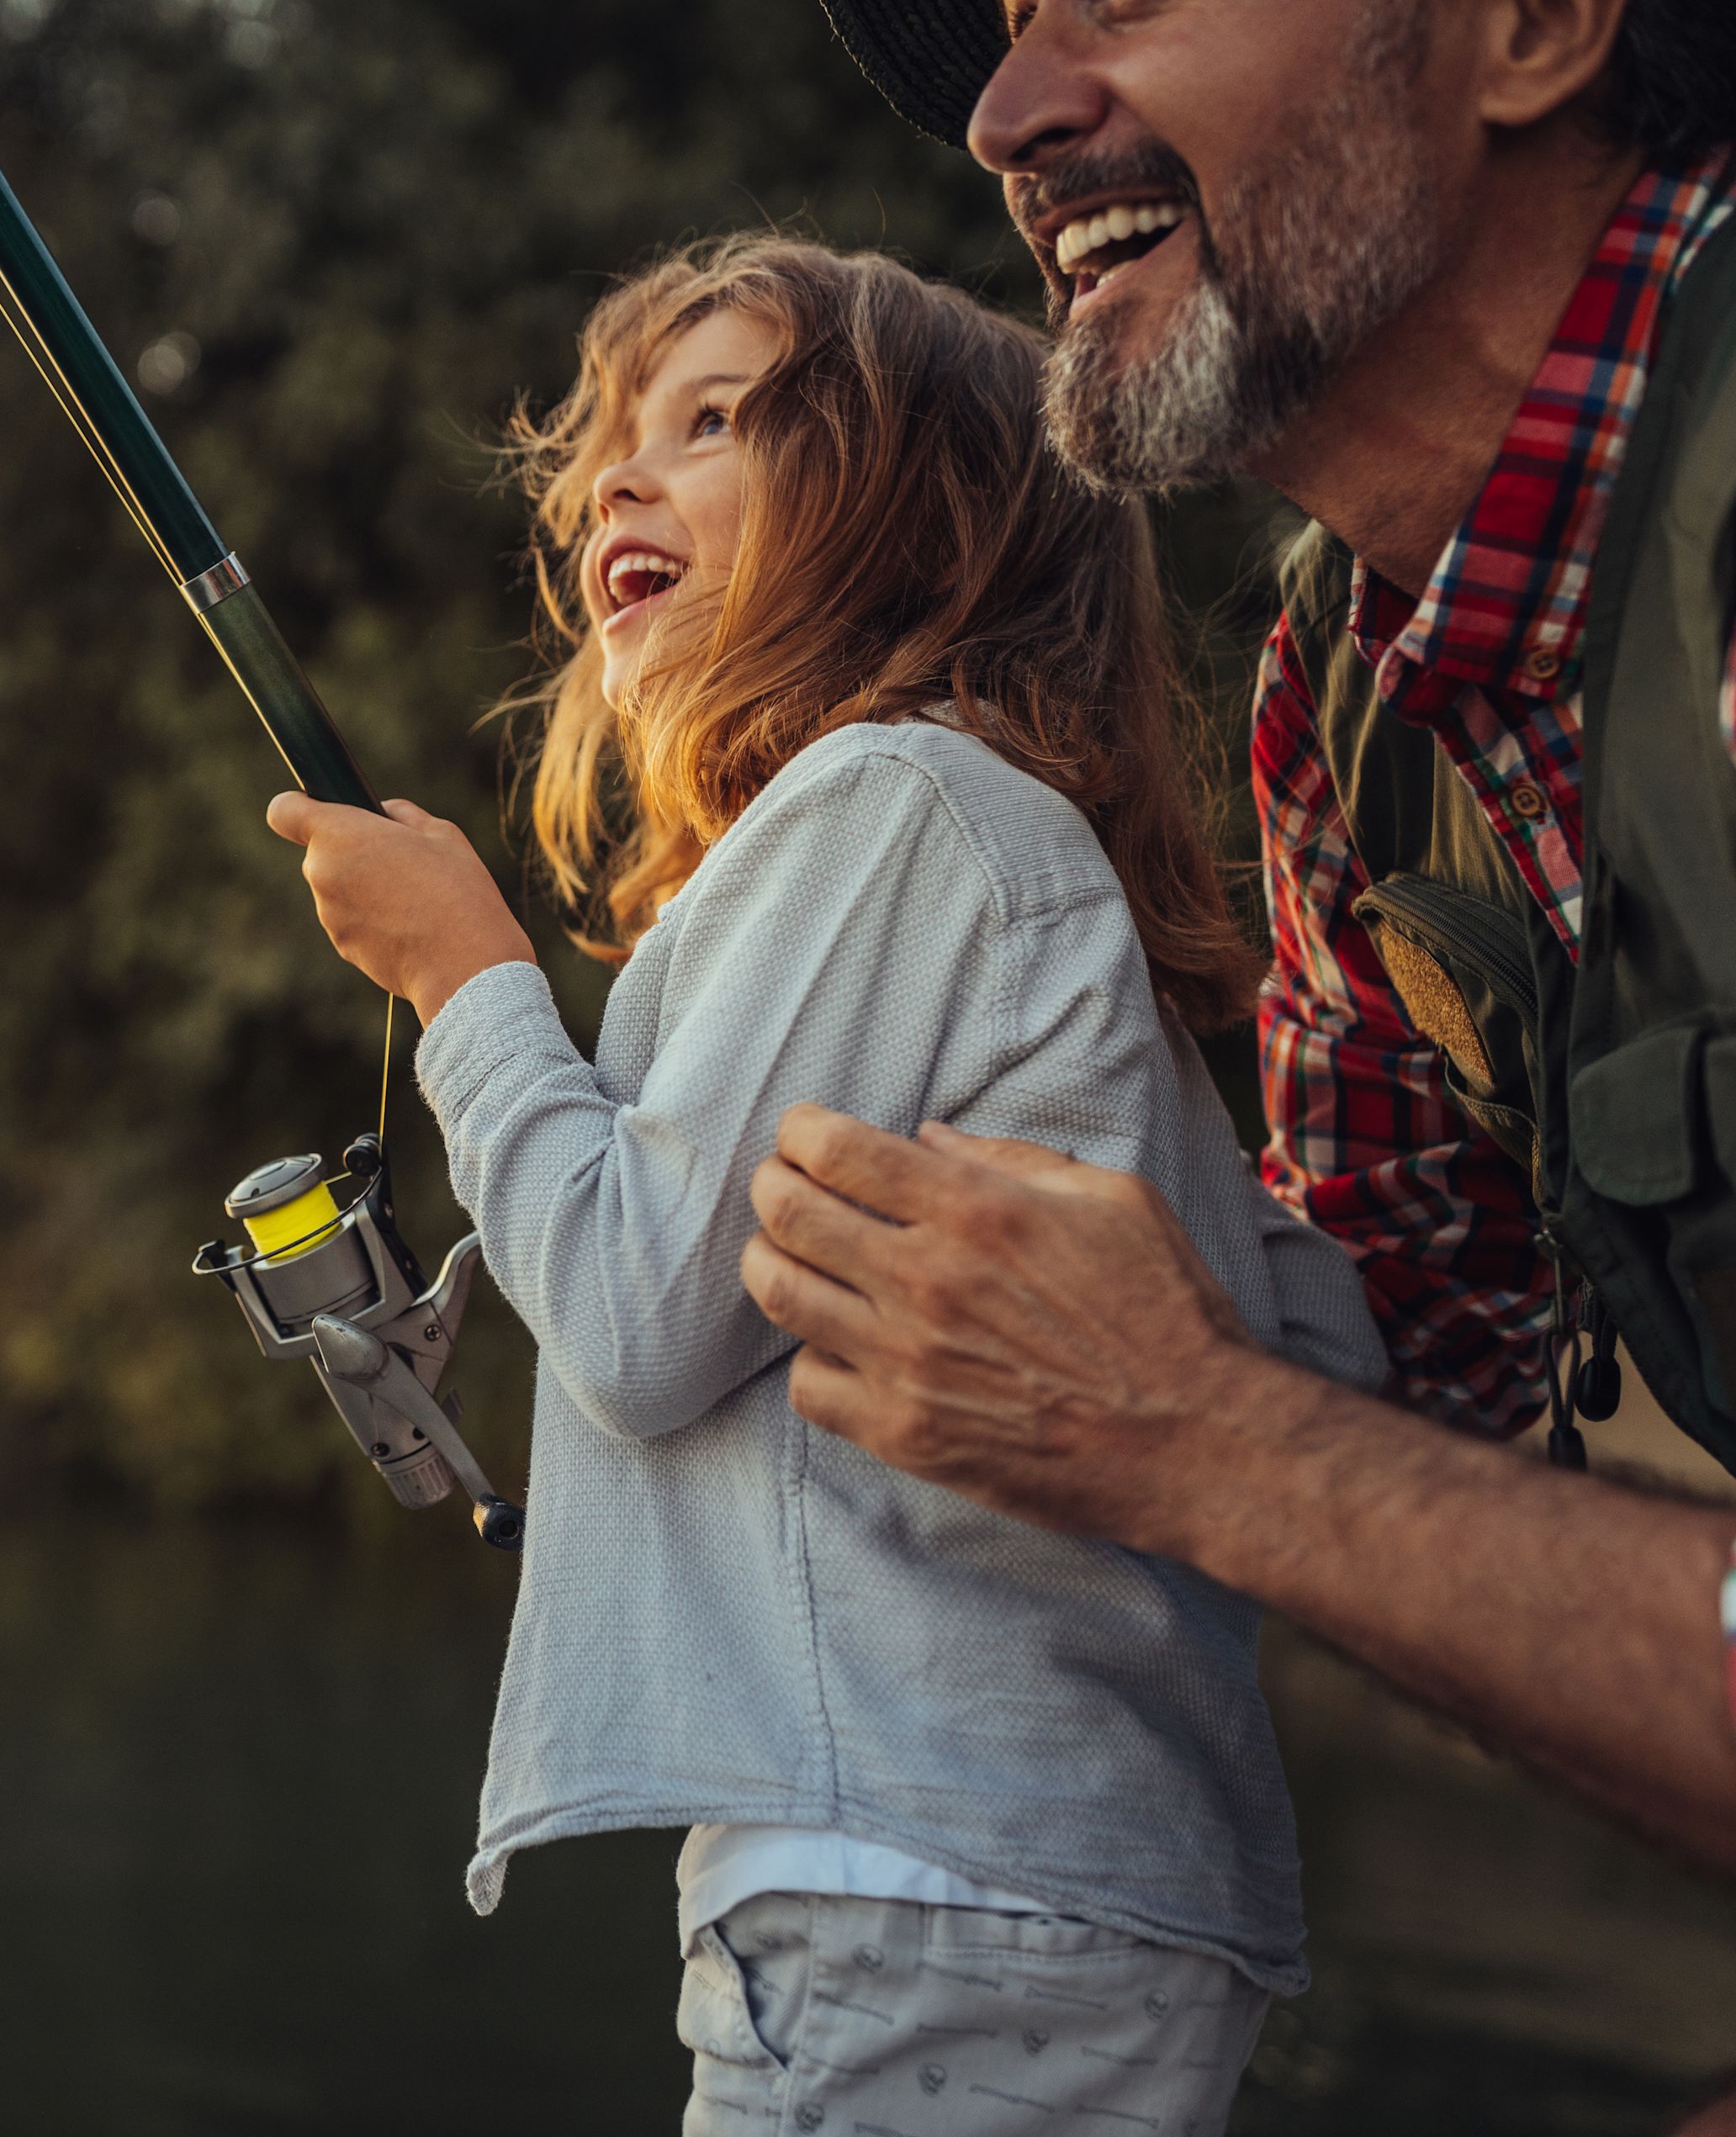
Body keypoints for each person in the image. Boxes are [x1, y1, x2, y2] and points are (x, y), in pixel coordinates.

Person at [266, 234, 1382, 2137]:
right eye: (620, 439)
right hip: (1027, 1885)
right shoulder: (968, 856)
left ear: (927, 524)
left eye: (715, 421)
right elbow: (1319, 1341)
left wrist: (466, 984)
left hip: (921, 1888)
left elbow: (632, 1312)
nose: (621, 474)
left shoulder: (896, 807)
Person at [750, 0, 1736, 1913]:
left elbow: (1264, 1441)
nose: (1009, 112)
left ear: (1529, 24)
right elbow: (1382, 1402)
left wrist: (1197, 1437)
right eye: (1015, 15)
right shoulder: (1335, 718)